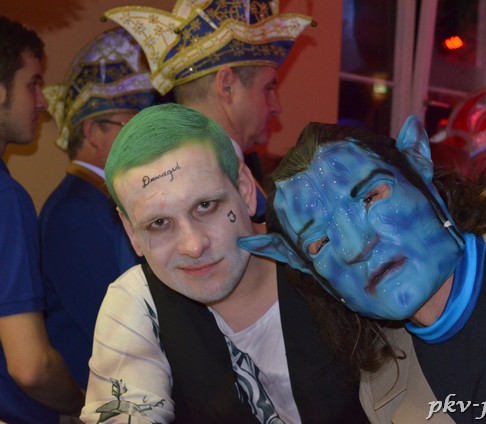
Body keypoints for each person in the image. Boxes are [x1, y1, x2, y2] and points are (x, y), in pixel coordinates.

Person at [240, 115, 486, 423]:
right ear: (310, 271)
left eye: (371, 197)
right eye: (319, 243)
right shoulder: (383, 389)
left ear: (419, 167)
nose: (357, 246)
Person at [80, 103, 367, 423]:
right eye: (159, 223)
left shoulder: (328, 258)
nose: (193, 245)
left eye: (206, 205)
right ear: (131, 231)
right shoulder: (138, 301)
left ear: (244, 189)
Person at [104, 0, 313, 223]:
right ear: (226, 85)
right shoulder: (185, 180)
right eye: (268, 88)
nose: (276, 107)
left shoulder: (211, 170)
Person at [39, 28, 157, 390]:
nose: (144, 139)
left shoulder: (93, 200)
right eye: (132, 125)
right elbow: (115, 323)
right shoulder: (74, 211)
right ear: (92, 132)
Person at [0, 16, 85, 422]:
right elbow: (31, 366)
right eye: (32, 84)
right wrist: (85, 406)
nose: (43, 101)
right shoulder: (6, 198)